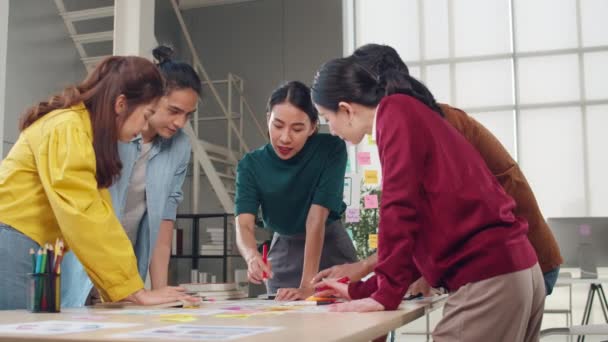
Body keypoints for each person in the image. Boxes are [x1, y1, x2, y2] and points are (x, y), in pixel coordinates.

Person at [311, 55, 545, 341]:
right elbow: (418, 228)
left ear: (345, 109)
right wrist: (362, 290)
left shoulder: (394, 113)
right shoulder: (411, 112)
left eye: (327, 119)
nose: (332, 130)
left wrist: (385, 294)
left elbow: (399, 207)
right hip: (515, 272)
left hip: (489, 277)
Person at [0, 56, 194, 310]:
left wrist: (129, 287)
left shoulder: (82, 130)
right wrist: (133, 290)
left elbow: (102, 216)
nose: (145, 126)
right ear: (121, 104)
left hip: (33, 244)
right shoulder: (67, 127)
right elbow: (84, 213)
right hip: (13, 241)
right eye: (145, 115)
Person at [61, 47, 200, 307]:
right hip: (85, 258)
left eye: (188, 115)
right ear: (153, 98)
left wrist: (161, 292)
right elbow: (85, 214)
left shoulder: (180, 147)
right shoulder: (109, 132)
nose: (180, 123)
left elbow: (163, 223)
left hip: (127, 269)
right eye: (173, 110)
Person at [235, 81, 358, 301]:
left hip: (330, 247)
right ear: (268, 120)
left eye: (297, 128)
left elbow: (316, 220)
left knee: (348, 325)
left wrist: (307, 287)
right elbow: (243, 223)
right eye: (278, 125)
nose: (285, 138)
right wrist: (252, 256)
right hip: (283, 250)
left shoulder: (331, 149)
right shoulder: (250, 165)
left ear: (312, 127)